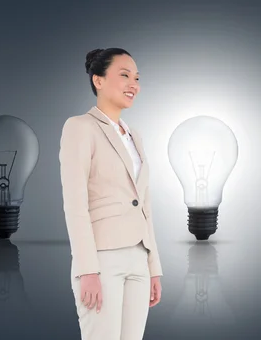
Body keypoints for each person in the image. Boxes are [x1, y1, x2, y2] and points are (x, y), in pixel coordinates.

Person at [59, 48, 163, 340]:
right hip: (102, 259)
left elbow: (145, 205)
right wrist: (87, 269)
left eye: (137, 78)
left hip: (139, 257)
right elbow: (75, 204)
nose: (134, 84)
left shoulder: (135, 136)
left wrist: (154, 267)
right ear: (98, 81)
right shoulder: (80, 127)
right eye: (125, 75)